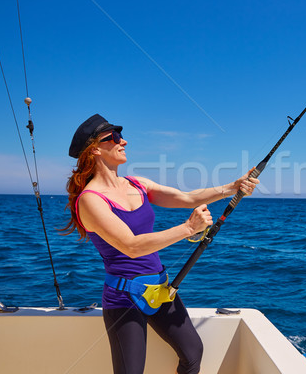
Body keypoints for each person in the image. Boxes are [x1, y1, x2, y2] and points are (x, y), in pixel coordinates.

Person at [62, 114, 258, 374]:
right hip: (124, 298)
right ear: (95, 149)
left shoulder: (137, 184)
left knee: (193, 353)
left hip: (161, 289)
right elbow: (131, 246)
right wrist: (188, 228)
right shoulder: (90, 200)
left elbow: (186, 197)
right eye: (115, 137)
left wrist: (232, 187)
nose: (124, 141)